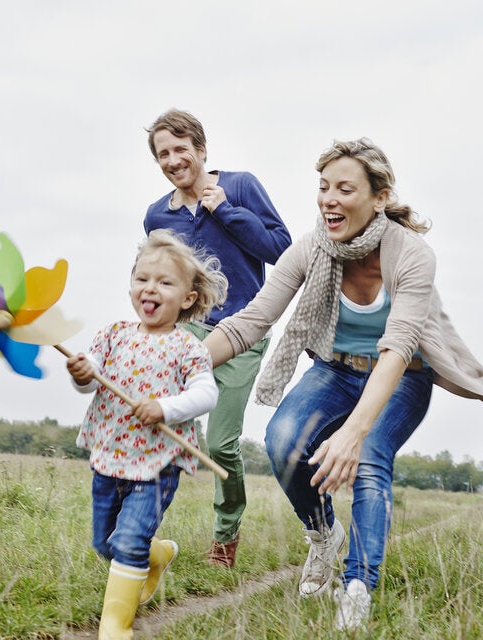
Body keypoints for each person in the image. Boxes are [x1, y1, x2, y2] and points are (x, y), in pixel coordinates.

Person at [204, 138, 483, 630]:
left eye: (345, 189)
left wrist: (354, 432)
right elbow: (253, 320)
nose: (329, 199)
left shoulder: (412, 255)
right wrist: (178, 365)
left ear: (379, 197)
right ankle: (324, 535)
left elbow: (399, 346)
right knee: (283, 442)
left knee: (369, 457)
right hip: (336, 369)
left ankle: (357, 587)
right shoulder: (312, 248)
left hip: (402, 375)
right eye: (323, 187)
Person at [144, 108, 292, 568]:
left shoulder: (241, 186)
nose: (173, 160)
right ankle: (138, 531)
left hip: (244, 331)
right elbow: (157, 279)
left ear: (202, 149)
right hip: (187, 331)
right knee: (155, 424)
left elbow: (282, 250)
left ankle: (225, 538)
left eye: (180, 149)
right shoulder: (156, 217)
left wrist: (225, 211)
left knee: (221, 443)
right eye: (163, 154)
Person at [66, 229, 228, 640]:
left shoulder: (188, 348)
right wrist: (82, 374)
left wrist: (164, 408)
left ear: (188, 298)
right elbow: (91, 380)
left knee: (128, 542)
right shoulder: (112, 335)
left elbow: (206, 394)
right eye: (142, 278)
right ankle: (157, 554)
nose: (150, 288)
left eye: (164, 282)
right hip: (110, 455)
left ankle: (115, 627)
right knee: (105, 543)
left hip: (158, 464)